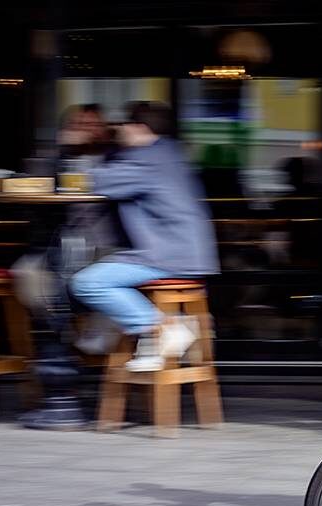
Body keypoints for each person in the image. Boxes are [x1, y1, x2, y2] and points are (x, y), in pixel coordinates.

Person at [70, 101, 220, 373]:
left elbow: (97, 181)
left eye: (125, 126)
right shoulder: (169, 152)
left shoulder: (145, 159)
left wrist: (75, 147)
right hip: (187, 253)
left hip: (169, 255)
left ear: (139, 128)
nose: (121, 132)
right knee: (105, 268)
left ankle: (161, 329)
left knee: (87, 282)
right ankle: (158, 335)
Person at [13, 104, 122, 430]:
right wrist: (62, 149)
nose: (87, 129)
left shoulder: (118, 159)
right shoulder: (54, 157)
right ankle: (60, 346)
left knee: (105, 282)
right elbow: (32, 184)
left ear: (104, 129)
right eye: (79, 123)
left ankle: (80, 347)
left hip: (105, 248)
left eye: (93, 124)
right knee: (27, 275)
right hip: (56, 248)